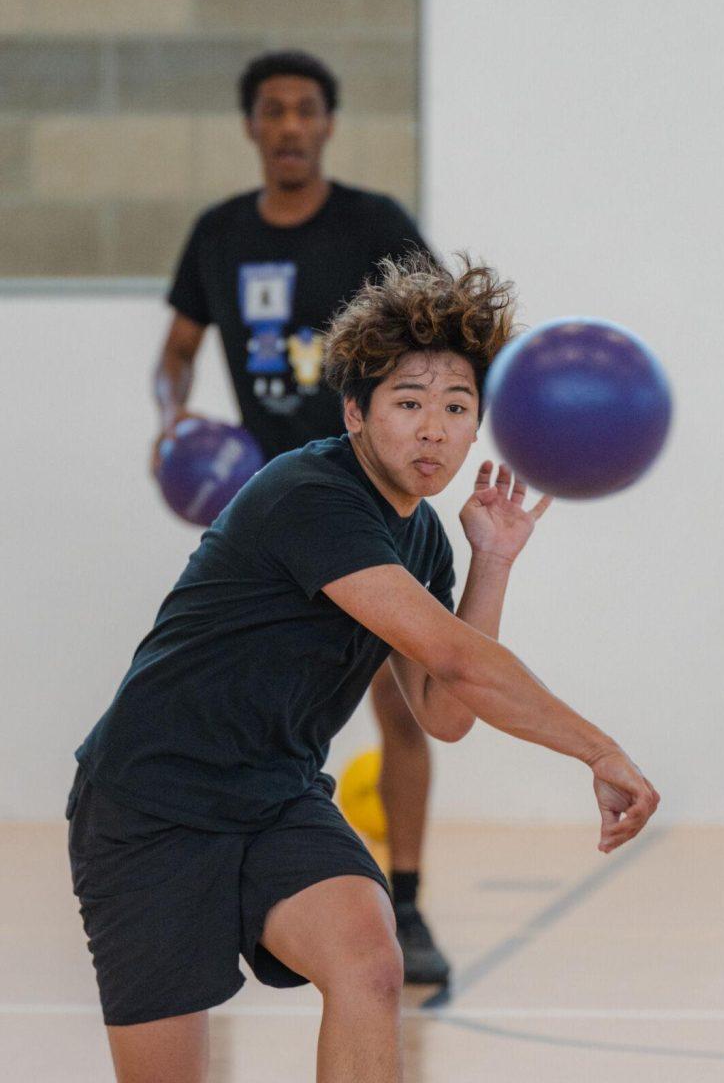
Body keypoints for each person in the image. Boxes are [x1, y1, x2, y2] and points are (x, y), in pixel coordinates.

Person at [70, 255, 660, 1083]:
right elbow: (459, 658)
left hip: (274, 795)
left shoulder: (419, 536)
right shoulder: (312, 495)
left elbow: (444, 712)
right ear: (356, 412)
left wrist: (490, 561)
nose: (434, 429)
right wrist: (598, 747)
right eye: (409, 403)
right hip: (151, 801)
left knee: (369, 961)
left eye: (457, 407)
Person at [151, 48, 446, 983]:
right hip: (271, 513)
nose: (287, 125)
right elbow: (176, 352)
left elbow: (436, 330)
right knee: (245, 699)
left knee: (405, 706)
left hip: (369, 500)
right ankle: (230, 876)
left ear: (326, 124)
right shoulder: (217, 234)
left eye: (305, 109)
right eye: (271, 110)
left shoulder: (373, 224)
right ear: (251, 126)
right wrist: (174, 419)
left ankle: (405, 905)